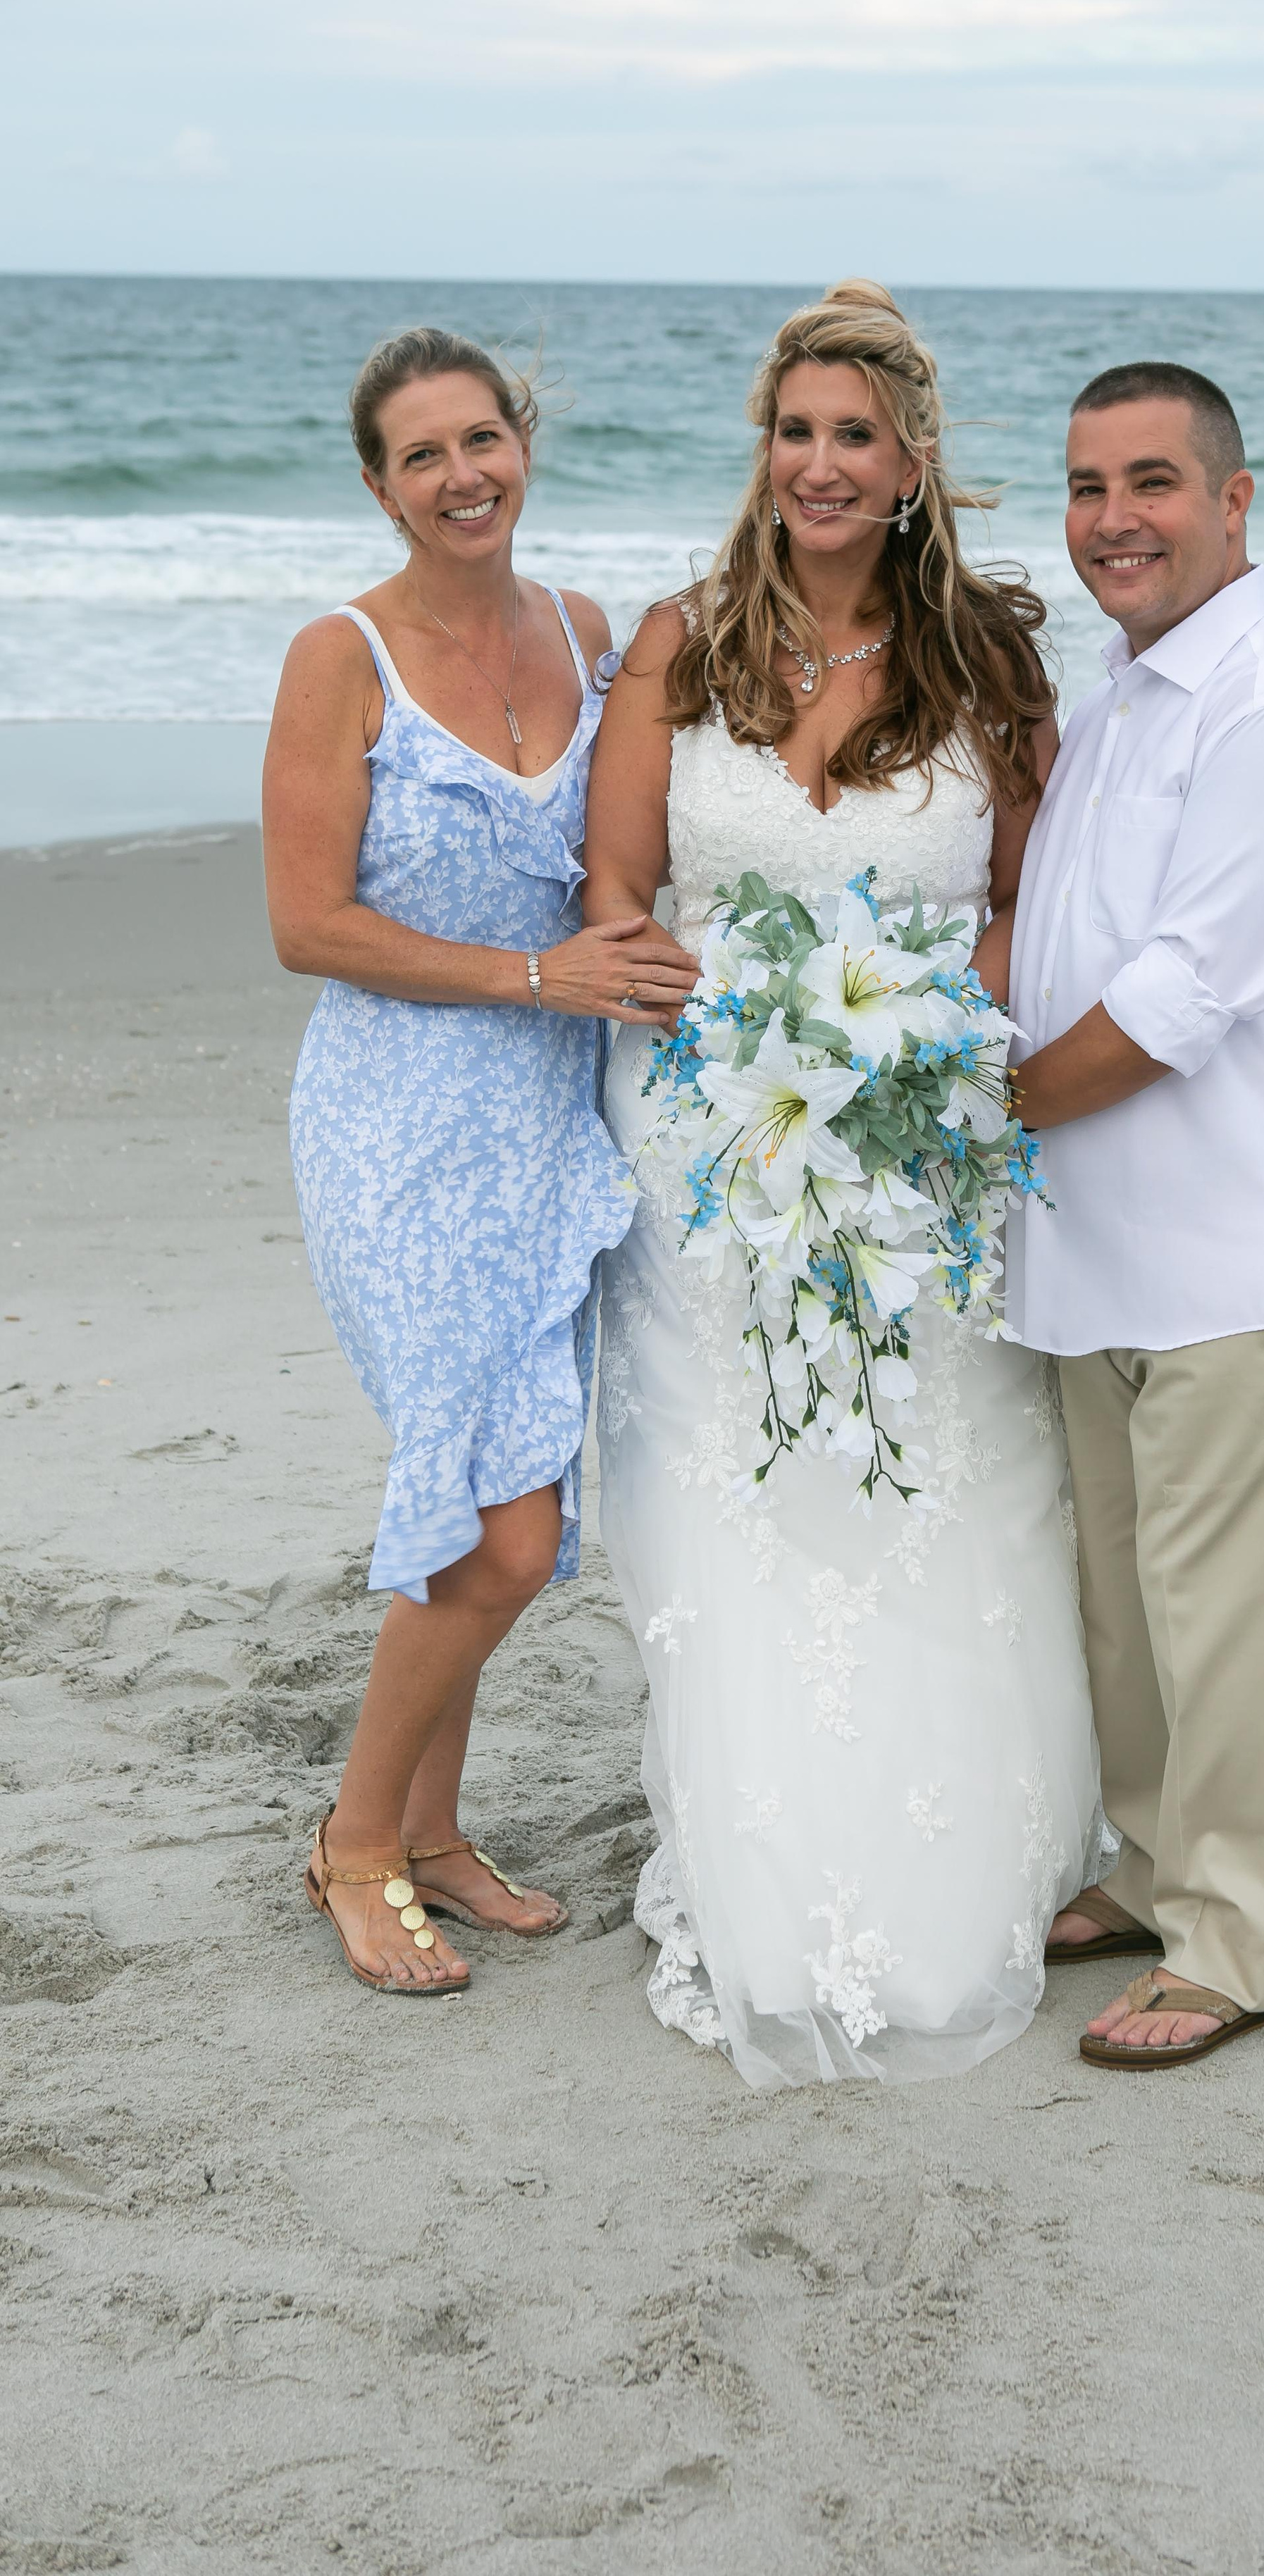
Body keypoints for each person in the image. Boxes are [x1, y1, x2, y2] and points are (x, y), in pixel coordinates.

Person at [583, 280, 1103, 2086]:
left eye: (851, 437)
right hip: (710, 1136)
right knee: (739, 1480)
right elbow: (619, 899)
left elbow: (1026, 901)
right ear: (766, 452)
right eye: (793, 433)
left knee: (934, 1470)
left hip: (922, 1140)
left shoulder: (989, 658)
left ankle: (970, 1850)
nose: (817, 464)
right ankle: (748, 1852)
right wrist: (714, 1031)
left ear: (908, 464)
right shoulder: (678, 643)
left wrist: (947, 1055)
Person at [264, 326, 695, 1995]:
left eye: (480, 440)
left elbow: (621, 860)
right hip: (394, 1126)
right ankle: (357, 1843)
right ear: (380, 487)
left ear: (524, 439)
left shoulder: (586, 633)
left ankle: (436, 1834)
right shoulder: (340, 657)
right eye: (421, 457)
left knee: (506, 1485)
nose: (462, 477)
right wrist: (534, 976)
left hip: (549, 1126)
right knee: (497, 1530)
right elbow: (308, 924)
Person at [1010, 360, 1264, 2069]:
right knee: (1120, 1602)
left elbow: (1183, 995)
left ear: (1233, 501)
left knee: (1228, 1611)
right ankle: (1152, 1860)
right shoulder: (1114, 698)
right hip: (1097, 1242)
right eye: (1090, 486)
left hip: (1241, 1249)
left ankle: (1234, 1941)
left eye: (1153, 483)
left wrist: (981, 1111)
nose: (1115, 520)